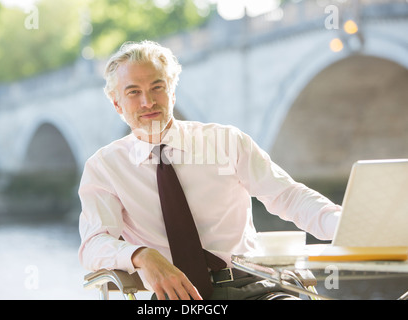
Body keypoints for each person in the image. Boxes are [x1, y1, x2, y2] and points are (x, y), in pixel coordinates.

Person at [78, 40, 342, 300]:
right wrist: (140, 255)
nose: (147, 102)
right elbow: (93, 245)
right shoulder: (104, 168)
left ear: (172, 92)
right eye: (133, 92)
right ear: (117, 104)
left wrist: (346, 226)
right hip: (177, 296)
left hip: (255, 286)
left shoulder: (225, 142)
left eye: (157, 87)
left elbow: (288, 196)